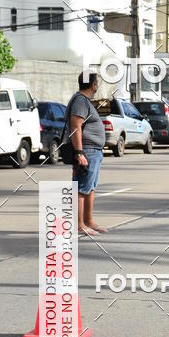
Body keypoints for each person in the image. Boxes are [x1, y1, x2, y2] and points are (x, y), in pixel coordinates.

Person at [66, 72, 107, 236]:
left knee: (89, 188)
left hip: (93, 151)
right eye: (96, 83)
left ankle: (88, 221)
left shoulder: (84, 101)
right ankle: (79, 225)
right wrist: (79, 152)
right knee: (81, 188)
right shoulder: (80, 101)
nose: (97, 86)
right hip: (87, 151)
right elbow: (75, 126)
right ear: (93, 85)